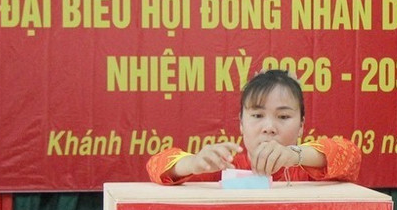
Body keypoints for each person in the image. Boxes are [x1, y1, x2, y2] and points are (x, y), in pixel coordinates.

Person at [147, 69, 361, 184]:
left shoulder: (308, 168)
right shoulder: (224, 168)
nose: (269, 127)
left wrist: (293, 155)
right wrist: (193, 164)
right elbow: (156, 166)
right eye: (258, 115)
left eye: (283, 116)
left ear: (301, 126)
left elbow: (351, 157)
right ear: (241, 124)